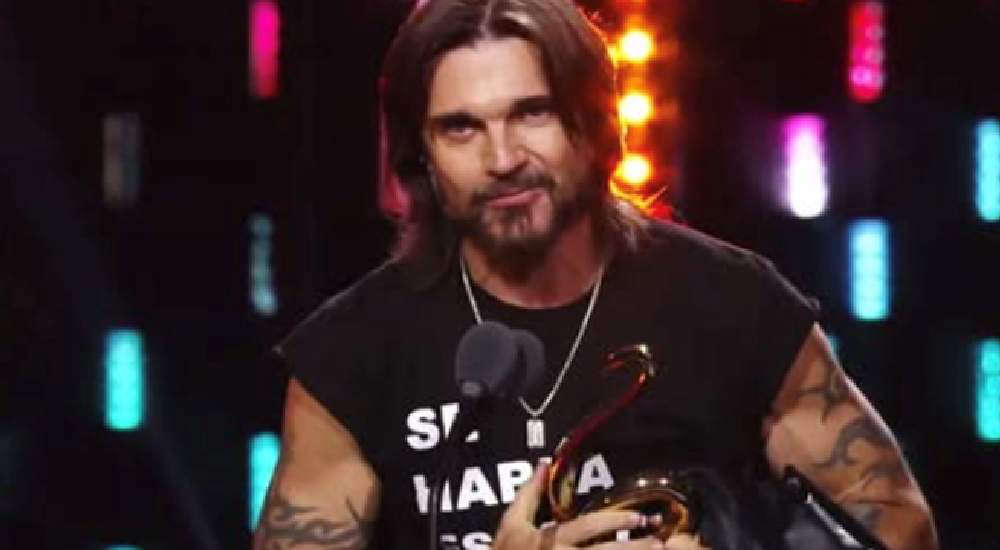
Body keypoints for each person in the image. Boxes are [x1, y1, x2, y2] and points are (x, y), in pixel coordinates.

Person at [252, 1, 938, 549]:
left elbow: (899, 528)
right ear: (423, 158)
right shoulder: (353, 353)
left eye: (533, 113)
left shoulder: (732, 303)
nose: (503, 158)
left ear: (594, 123)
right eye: (461, 128)